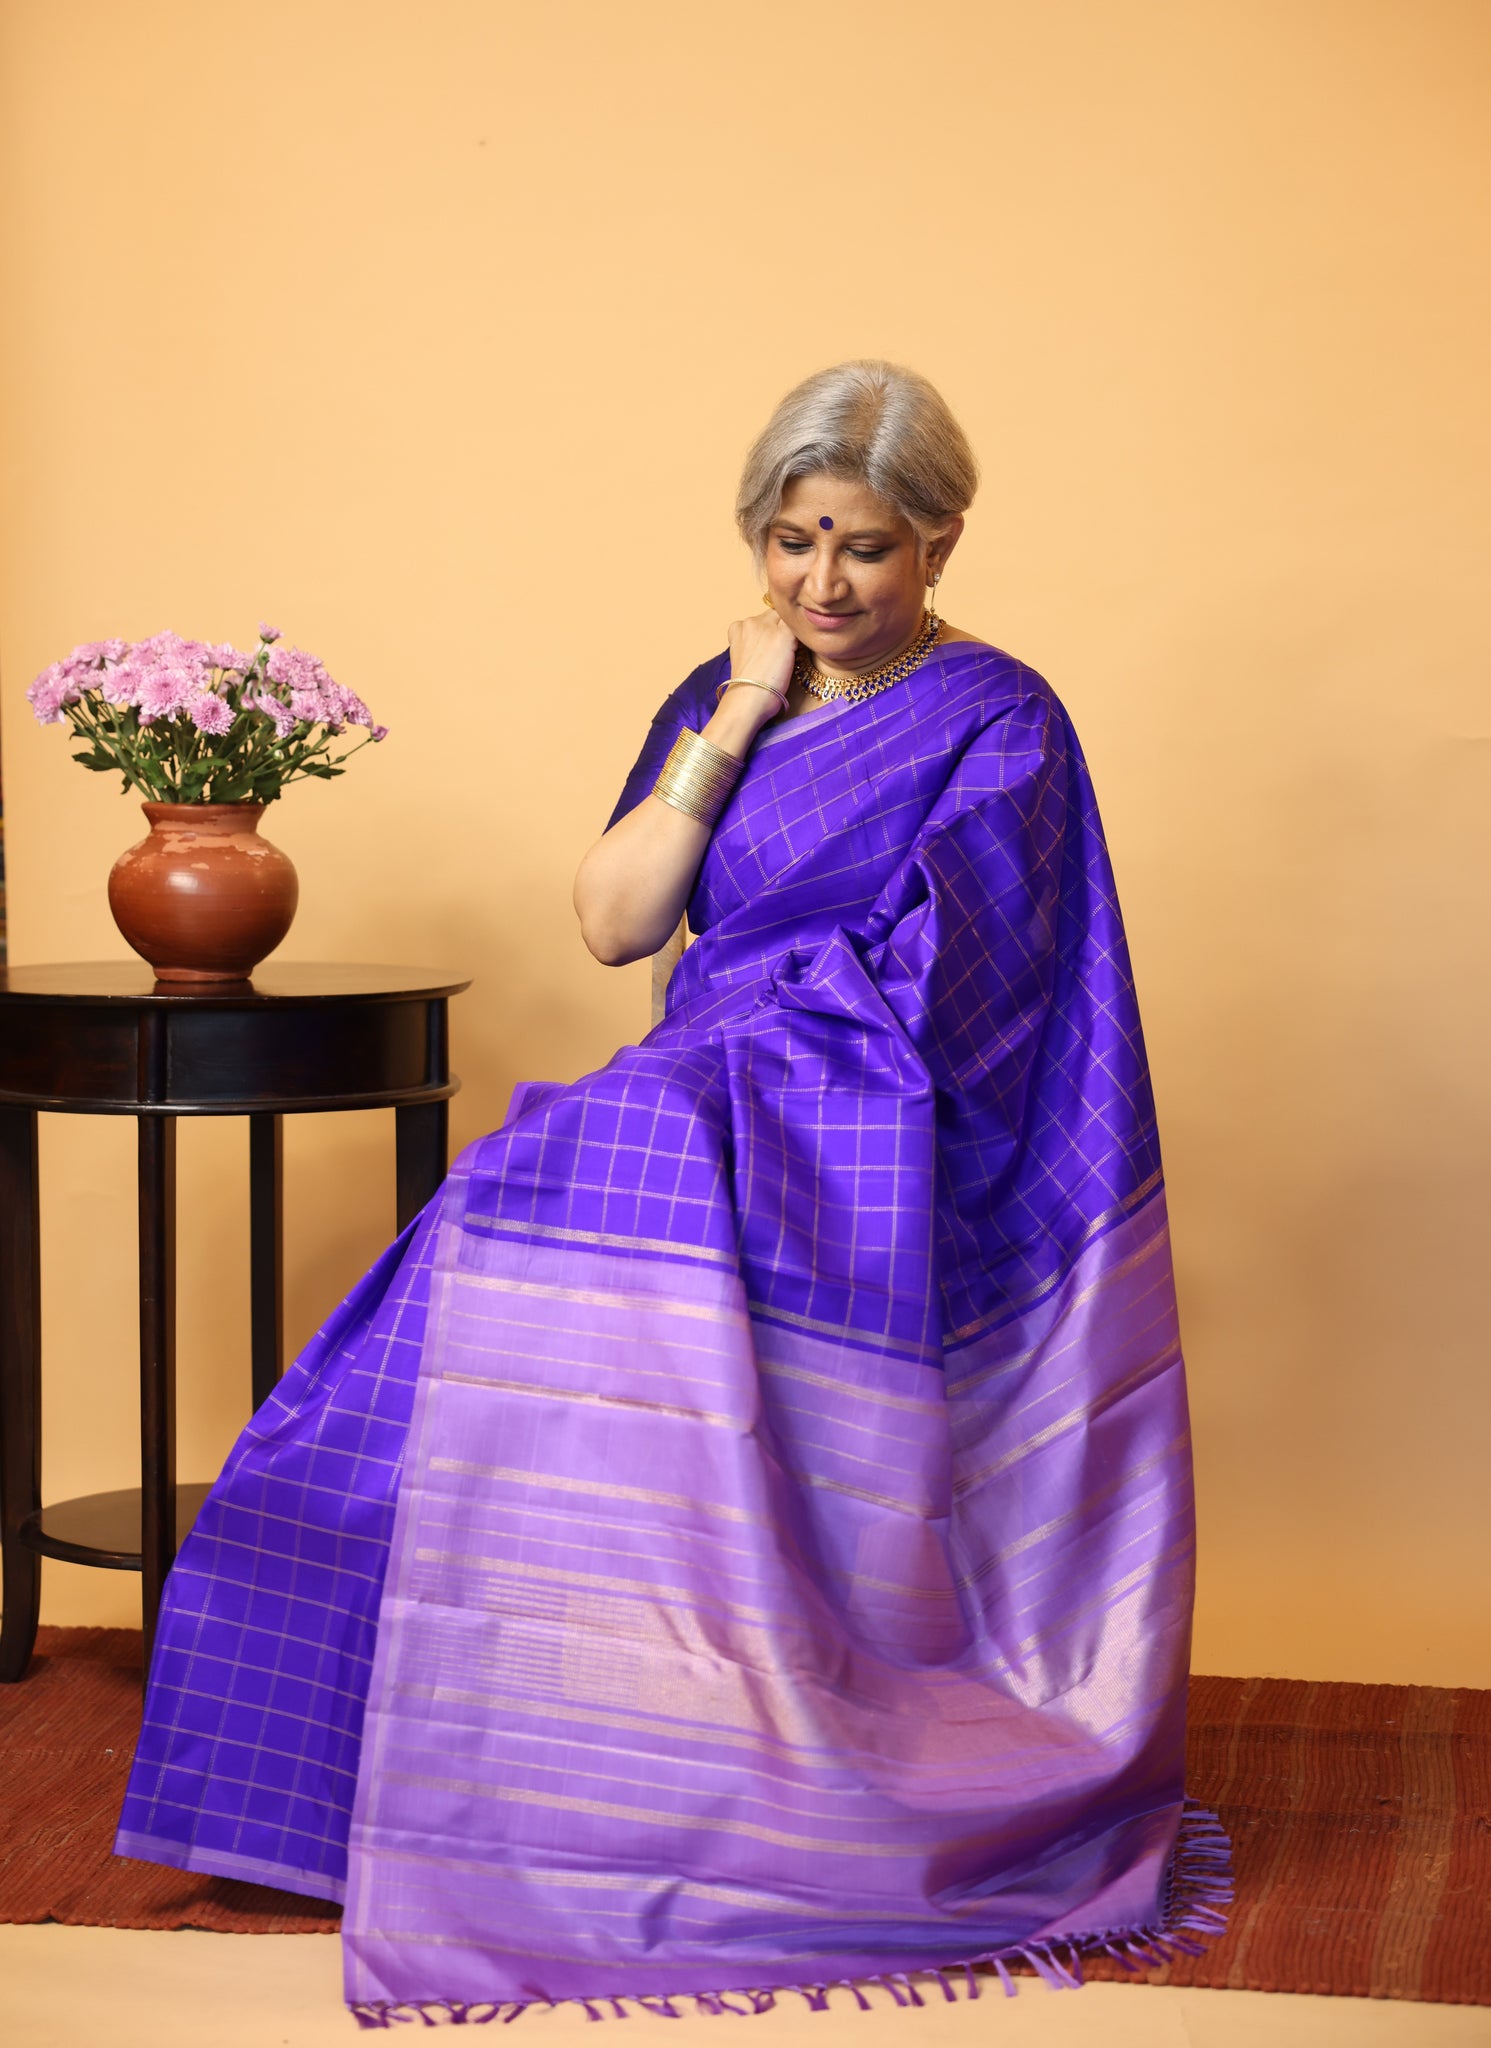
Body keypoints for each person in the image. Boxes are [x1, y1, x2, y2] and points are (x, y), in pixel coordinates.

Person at [117, 361, 1230, 2024]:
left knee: (581, 1168)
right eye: (792, 540)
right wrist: (737, 718)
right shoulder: (725, 693)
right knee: (446, 1292)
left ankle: (698, 1793)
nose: (823, 581)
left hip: (860, 1127)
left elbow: (978, 991)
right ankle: (404, 1783)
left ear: (940, 544)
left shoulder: (1003, 721)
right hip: (698, 1094)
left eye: (865, 546)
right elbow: (618, 921)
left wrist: (755, 1067)